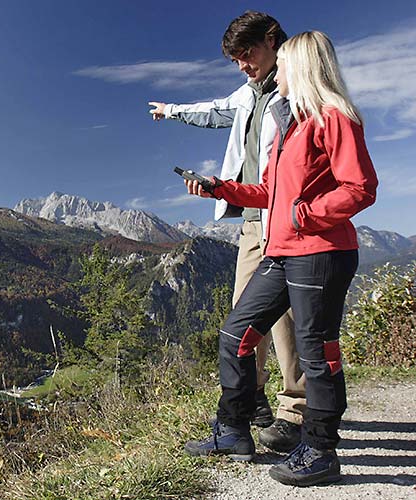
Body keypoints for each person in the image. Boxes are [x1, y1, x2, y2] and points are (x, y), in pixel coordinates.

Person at [182, 31, 378, 487]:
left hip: (322, 252)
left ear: (301, 68)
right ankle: (232, 431)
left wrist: (305, 214)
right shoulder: (289, 127)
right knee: (236, 333)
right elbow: (269, 192)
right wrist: (222, 187)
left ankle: (322, 451)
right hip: (282, 252)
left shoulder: (335, 118)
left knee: (317, 350)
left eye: (283, 65)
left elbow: (360, 187)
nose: (277, 74)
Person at [149, 10, 305, 451]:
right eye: (235, 57)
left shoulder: (298, 88)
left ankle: (296, 410)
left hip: (289, 218)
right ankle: (251, 401)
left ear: (272, 40)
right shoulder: (247, 93)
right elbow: (213, 110)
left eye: (247, 53)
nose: (241, 63)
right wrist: (172, 111)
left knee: (288, 320)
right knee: (242, 314)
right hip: (252, 218)